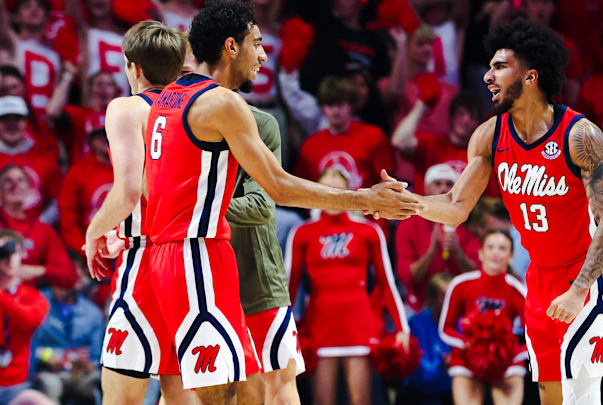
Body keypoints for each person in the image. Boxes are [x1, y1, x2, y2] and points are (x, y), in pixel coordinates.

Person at [140, 3, 421, 403]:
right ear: (231, 47)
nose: (263, 55)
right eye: (256, 43)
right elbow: (279, 187)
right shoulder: (221, 103)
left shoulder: (166, 99)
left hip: (179, 255)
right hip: (194, 256)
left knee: (241, 387)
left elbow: (149, 186)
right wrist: (362, 198)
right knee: (219, 392)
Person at [378, 19, 603, 405]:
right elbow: (457, 207)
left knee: (582, 393)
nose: (487, 77)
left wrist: (579, 290)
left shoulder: (580, 136)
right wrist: (411, 203)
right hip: (539, 276)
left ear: (530, 76)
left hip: (586, 274)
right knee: (550, 395)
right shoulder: (489, 135)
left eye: (499, 67)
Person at [81, 20, 195, 405]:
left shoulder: (126, 107)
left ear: (134, 68)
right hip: (191, 261)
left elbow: (129, 191)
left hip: (146, 261)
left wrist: (95, 232)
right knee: (179, 394)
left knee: (120, 397)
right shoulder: (198, 111)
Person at [286, 169, 409, 405]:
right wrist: (283, 329)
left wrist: (401, 327)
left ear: (349, 192)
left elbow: (387, 283)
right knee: (322, 400)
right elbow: (289, 288)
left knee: (361, 399)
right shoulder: (302, 233)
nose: (332, 196)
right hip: (320, 325)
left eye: (338, 190)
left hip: (358, 323)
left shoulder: (368, 230)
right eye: (326, 190)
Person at [228, 105, 304, 405]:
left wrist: (194, 207)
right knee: (189, 387)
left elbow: (261, 206)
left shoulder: (260, 123)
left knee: (278, 383)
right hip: (196, 274)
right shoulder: (166, 119)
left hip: (256, 278)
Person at [439, 230, 527, 405]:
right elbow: (445, 329)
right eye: (490, 247)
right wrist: (468, 344)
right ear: (480, 253)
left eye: (502, 248)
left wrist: (513, 355)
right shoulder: (461, 284)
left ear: (511, 256)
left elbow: (533, 335)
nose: (495, 252)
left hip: (506, 361)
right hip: (467, 357)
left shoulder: (518, 289)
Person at [395, 163, 482, 312]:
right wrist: (431, 252)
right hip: (419, 306)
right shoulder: (408, 225)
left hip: (459, 309)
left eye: (449, 184)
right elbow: (406, 278)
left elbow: (478, 278)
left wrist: (459, 254)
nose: (443, 189)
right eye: (437, 184)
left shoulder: (466, 225)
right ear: (426, 189)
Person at [0, 164, 76, 289]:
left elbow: (69, 275)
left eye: (20, 180)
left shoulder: (42, 230)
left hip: (26, 297)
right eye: (8, 180)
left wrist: (39, 270)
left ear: (30, 189)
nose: (15, 185)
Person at [32, 281, 105, 404]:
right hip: (50, 372)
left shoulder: (93, 313)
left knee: (100, 381)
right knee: (50, 384)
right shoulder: (38, 301)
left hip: (80, 374)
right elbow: (28, 345)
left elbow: (96, 357)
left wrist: (90, 364)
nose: (62, 288)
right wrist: (46, 355)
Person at [0, 229, 51, 404]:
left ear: (22, 253)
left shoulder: (34, 297)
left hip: (16, 388)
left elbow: (31, 319)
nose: (8, 257)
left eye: (12, 251)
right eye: (3, 251)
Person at [397, 273, 453, 405]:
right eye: (444, 296)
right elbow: (421, 372)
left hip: (452, 393)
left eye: (452, 295)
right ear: (431, 299)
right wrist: (445, 363)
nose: (449, 301)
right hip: (420, 395)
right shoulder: (417, 324)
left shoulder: (461, 322)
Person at [58, 128, 114, 256]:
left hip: (130, 250)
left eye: (110, 132)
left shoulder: (136, 166)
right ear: (91, 140)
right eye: (101, 135)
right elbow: (68, 219)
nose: (107, 138)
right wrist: (85, 251)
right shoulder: (78, 172)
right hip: (93, 253)